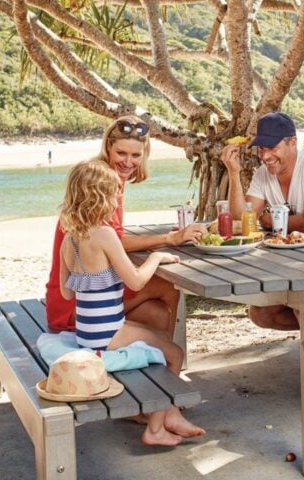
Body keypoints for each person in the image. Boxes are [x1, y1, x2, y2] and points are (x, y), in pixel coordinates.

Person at [59, 160, 204, 446]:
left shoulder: (69, 238)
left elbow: (67, 294)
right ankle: (156, 427)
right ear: (100, 197)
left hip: (87, 333)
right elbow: (136, 281)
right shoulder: (104, 234)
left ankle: (168, 412)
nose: (116, 201)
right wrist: (156, 257)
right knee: (173, 353)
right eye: (114, 194)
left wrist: (93, 279)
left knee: (159, 337)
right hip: (109, 334)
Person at [45, 116, 206, 336]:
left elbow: (109, 236)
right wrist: (169, 239)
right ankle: (164, 358)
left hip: (71, 297)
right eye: (121, 153)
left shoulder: (95, 175)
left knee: (156, 312)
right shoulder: (102, 184)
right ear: (108, 147)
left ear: (144, 154)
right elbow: (115, 241)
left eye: (135, 155)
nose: (128, 162)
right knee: (166, 286)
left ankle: (154, 361)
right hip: (75, 308)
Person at [221, 112, 304, 330]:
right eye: (261, 148)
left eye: (272, 148)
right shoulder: (263, 174)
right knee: (260, 314)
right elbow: (241, 220)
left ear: (292, 143)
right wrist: (233, 173)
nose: (265, 156)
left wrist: (269, 221)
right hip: (294, 265)